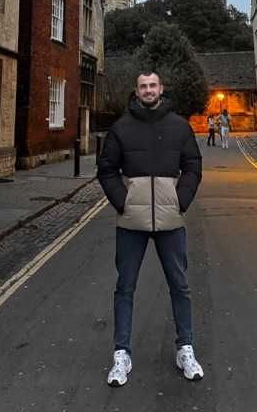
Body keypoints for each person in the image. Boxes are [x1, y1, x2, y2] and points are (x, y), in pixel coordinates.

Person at [97, 71, 204, 387]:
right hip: (132, 221)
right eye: (143, 86)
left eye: (152, 85)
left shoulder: (179, 126)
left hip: (170, 220)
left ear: (161, 88)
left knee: (179, 285)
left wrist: (180, 200)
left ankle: (185, 349)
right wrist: (124, 202)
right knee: (125, 287)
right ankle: (121, 354)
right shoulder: (121, 128)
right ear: (137, 90)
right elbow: (107, 169)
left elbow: (193, 166)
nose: (148, 90)